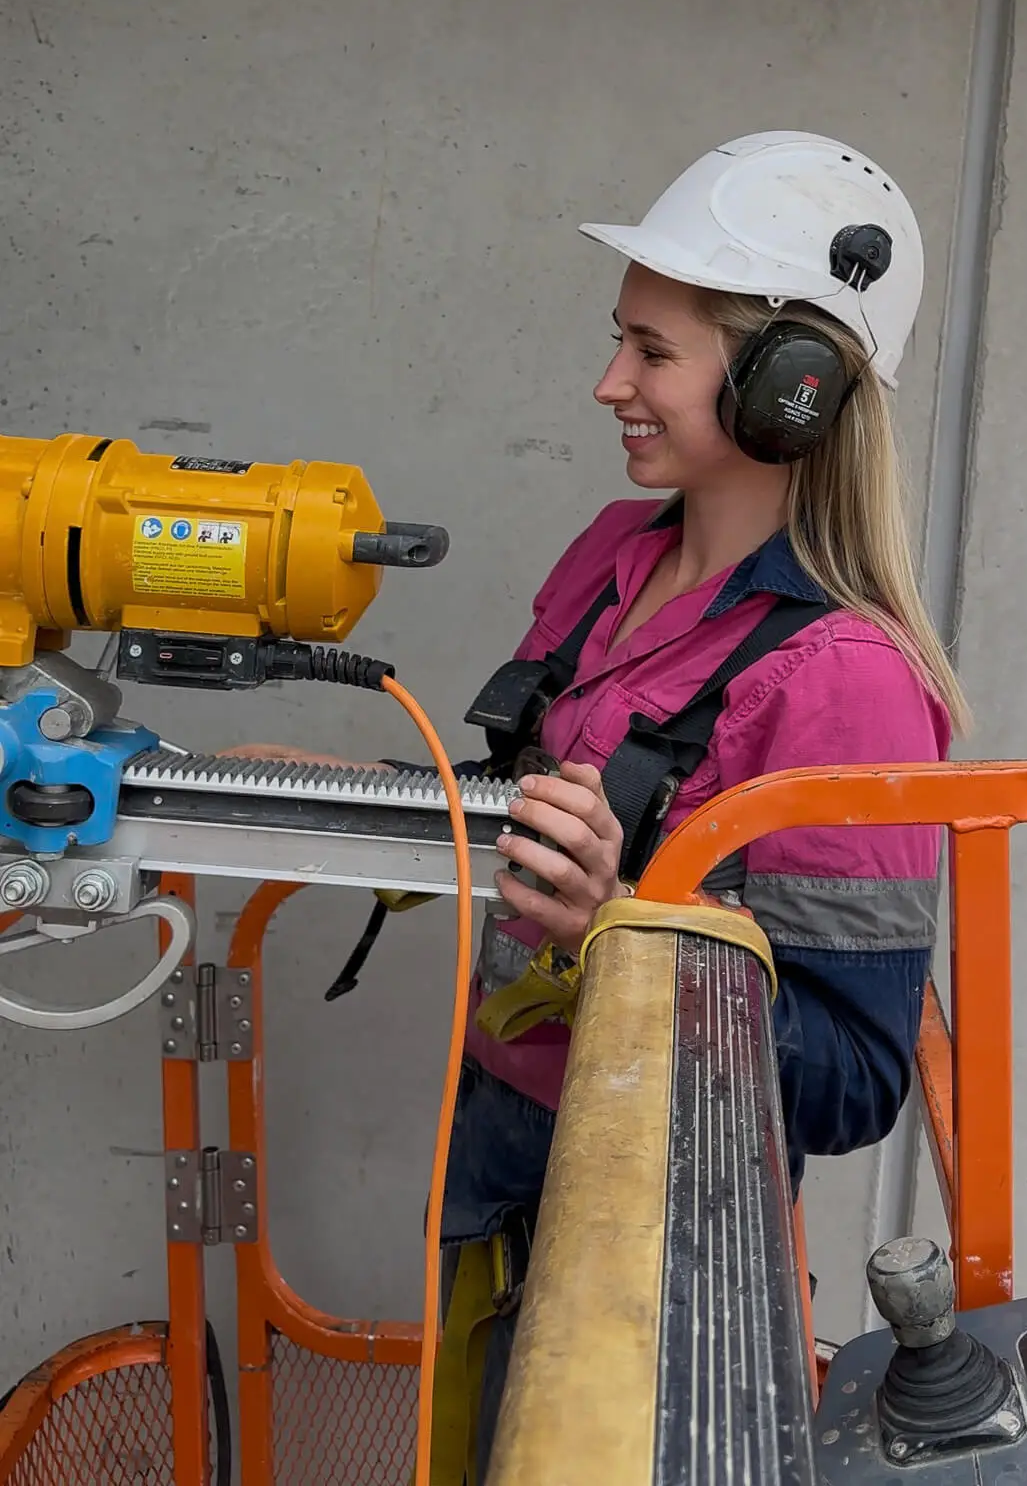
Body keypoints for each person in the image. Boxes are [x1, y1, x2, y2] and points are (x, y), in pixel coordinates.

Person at [242, 131, 967, 1481]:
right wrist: (364, 806)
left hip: (655, 1233)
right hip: (499, 1151)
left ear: (789, 389)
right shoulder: (612, 557)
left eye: (652, 352)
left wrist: (615, 931)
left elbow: (855, 1074)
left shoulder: (845, 684)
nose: (608, 384)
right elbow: (534, 807)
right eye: (619, 342)